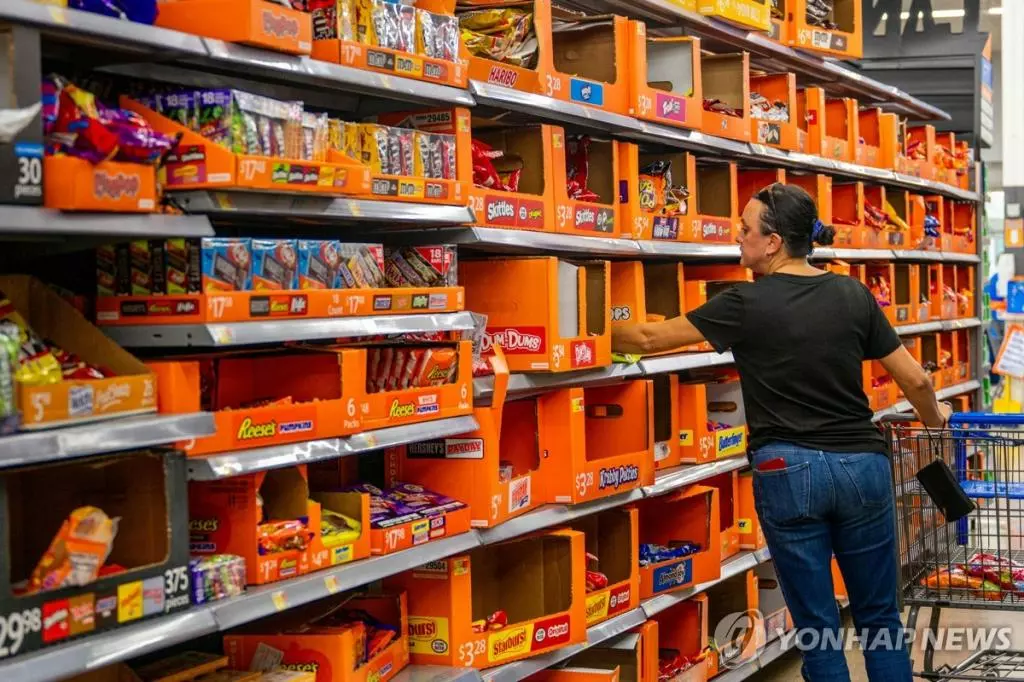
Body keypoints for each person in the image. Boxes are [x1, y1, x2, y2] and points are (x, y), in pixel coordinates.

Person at [612, 183, 951, 682]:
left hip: (788, 471)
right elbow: (916, 379)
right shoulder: (852, 293)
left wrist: (583, 330)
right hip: (862, 466)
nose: (738, 237)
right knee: (880, 619)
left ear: (773, 242)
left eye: (745, 229)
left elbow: (647, 338)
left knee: (817, 629)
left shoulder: (743, 304)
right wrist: (934, 419)